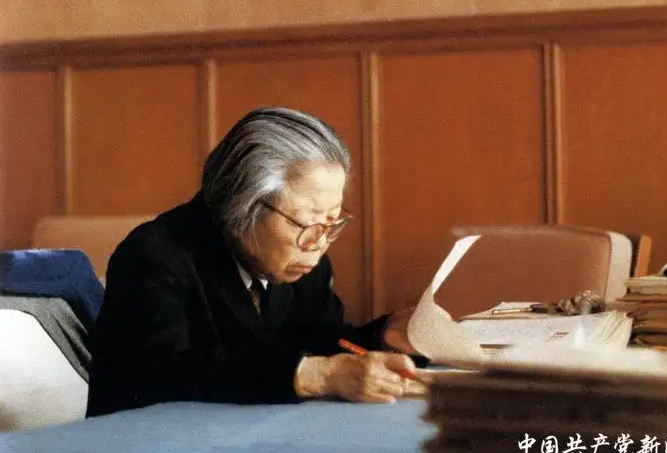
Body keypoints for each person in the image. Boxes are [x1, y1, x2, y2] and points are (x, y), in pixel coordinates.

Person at [86, 107, 421, 417]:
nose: (319, 243)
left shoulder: (301, 257)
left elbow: (323, 341)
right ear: (243, 206)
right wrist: (315, 375)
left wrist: (384, 337)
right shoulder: (154, 255)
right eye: (308, 222)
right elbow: (166, 373)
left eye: (332, 221)